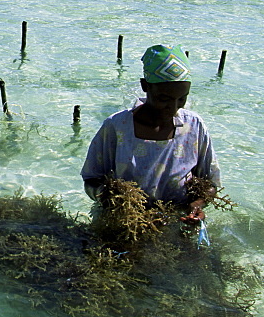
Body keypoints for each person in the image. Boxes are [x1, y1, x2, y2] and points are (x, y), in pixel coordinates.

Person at [80, 44, 220, 225]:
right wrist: (111, 198)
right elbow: (91, 179)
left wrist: (196, 205)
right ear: (145, 86)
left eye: (182, 98)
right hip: (125, 223)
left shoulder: (194, 126)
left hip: (177, 222)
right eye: (164, 99)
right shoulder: (117, 127)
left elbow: (210, 183)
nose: (174, 107)